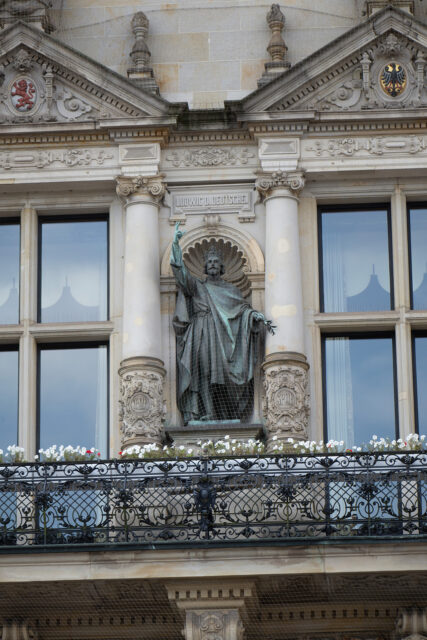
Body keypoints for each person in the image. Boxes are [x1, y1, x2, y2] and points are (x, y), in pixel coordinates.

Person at [171, 222, 274, 424]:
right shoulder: (198, 286)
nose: (212, 264)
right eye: (209, 262)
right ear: (205, 266)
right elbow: (181, 274)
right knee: (203, 372)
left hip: (223, 338)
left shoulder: (232, 290)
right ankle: (206, 412)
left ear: (222, 266)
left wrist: (253, 316)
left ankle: (225, 414)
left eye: (216, 262)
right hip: (201, 331)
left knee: (220, 373)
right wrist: (175, 245)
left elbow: (241, 309)